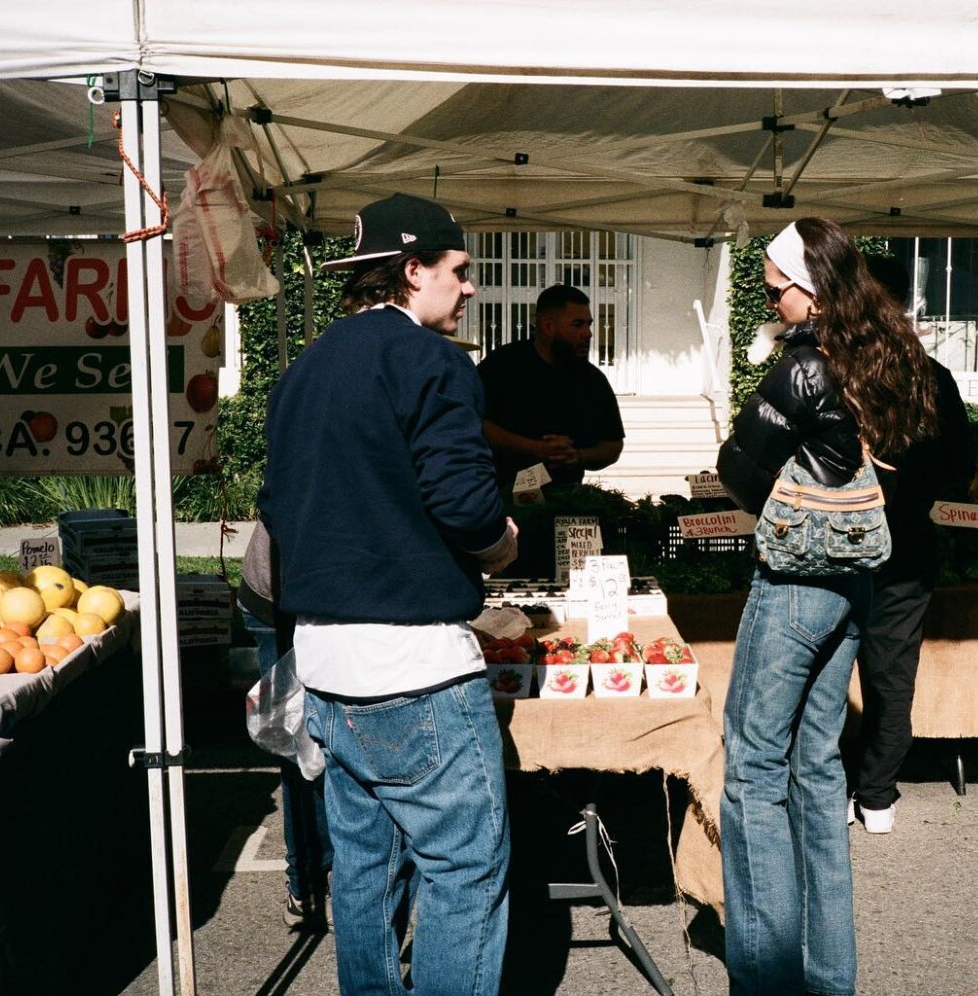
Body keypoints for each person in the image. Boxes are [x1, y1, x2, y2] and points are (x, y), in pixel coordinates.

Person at [259, 192, 519, 996]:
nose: (470, 288)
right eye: (460, 271)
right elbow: (466, 505)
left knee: (364, 867)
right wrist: (504, 541)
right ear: (412, 272)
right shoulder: (433, 362)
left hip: (326, 665)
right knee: (464, 869)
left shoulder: (304, 369)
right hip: (415, 666)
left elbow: (282, 504)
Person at [716, 218, 939, 996]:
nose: (773, 305)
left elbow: (737, 473)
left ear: (807, 290)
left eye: (775, 291)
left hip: (794, 584)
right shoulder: (895, 359)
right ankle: (826, 978)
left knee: (750, 772)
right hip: (858, 582)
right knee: (815, 770)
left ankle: (766, 979)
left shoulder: (804, 369)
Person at [849, 256, 974, 835]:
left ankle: (827, 789)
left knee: (826, 674)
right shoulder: (934, 377)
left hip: (840, 547)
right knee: (891, 678)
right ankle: (876, 796)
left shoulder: (841, 373)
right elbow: (962, 467)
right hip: (908, 548)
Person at [237, 520, 334, 929]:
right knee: (298, 746)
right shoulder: (313, 461)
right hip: (279, 597)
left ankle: (326, 879)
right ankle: (308, 883)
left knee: (324, 748)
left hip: (330, 597)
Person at [477, 284, 625, 488]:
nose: (588, 333)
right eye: (578, 324)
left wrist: (578, 456)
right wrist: (534, 448)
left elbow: (613, 445)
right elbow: (475, 422)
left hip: (567, 502)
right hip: (500, 496)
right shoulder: (502, 365)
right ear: (548, 326)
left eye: (589, 325)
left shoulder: (593, 380)